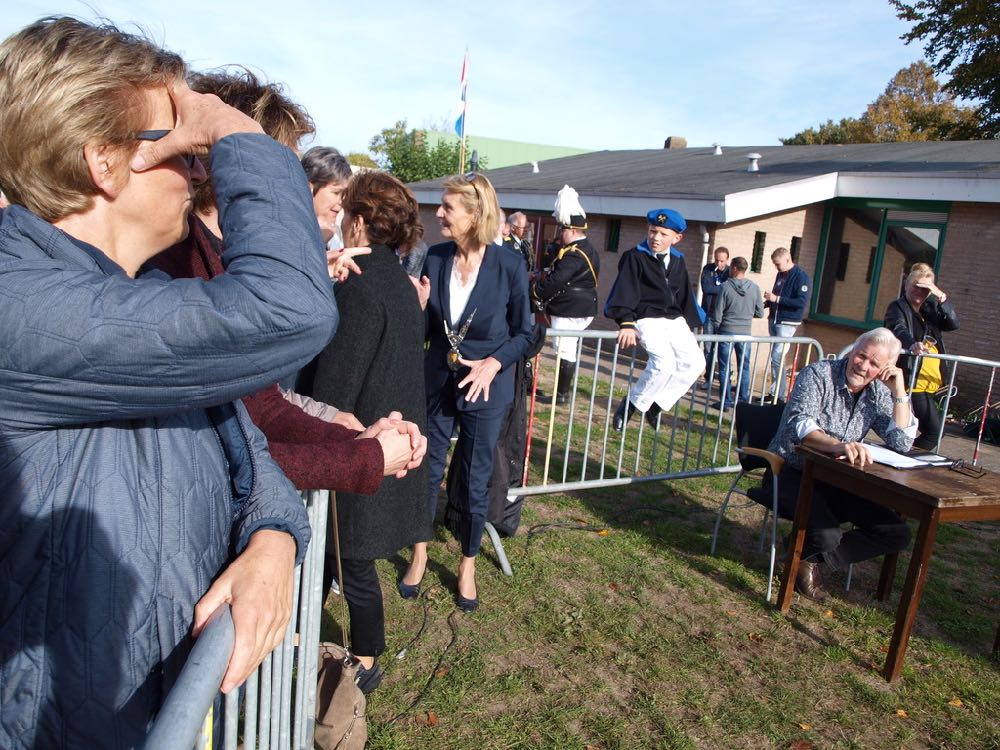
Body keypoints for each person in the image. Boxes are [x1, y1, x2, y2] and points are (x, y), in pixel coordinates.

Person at [0, 17, 336, 748]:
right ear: (106, 162)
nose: (201, 171)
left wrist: (274, 540)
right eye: (184, 149)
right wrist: (235, 127)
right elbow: (289, 308)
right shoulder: (19, 307)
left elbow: (245, 449)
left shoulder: (130, 297)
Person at [304, 172, 431, 693]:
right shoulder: (399, 281)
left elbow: (338, 378)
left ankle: (364, 658)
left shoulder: (360, 283)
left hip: (361, 438)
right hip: (386, 436)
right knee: (347, 557)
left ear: (357, 221)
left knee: (350, 557)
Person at [401, 172, 533, 612]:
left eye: (448, 208)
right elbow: (423, 329)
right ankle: (419, 553)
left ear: (475, 215)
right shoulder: (434, 257)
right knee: (426, 468)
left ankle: (467, 565)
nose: (438, 213)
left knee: (476, 477)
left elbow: (528, 334)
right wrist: (417, 310)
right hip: (436, 381)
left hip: (485, 388)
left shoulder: (509, 264)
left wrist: (495, 363)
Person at [765, 328, 916, 602]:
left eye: (874, 364)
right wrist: (836, 445)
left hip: (838, 481)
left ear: (885, 369)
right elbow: (801, 424)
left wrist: (900, 392)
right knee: (827, 535)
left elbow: (902, 442)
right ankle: (807, 551)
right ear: (853, 350)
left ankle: (803, 556)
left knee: (897, 532)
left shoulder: (878, 393)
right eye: (861, 356)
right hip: (789, 471)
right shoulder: (817, 374)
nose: (863, 366)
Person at [606, 208, 703, 430]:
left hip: (674, 318)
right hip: (647, 317)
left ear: (677, 238)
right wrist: (626, 322)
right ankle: (630, 405)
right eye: (652, 231)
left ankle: (657, 405)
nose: (655, 238)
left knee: (696, 363)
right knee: (664, 364)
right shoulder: (635, 256)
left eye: (662, 234)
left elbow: (685, 295)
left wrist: (695, 326)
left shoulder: (678, 260)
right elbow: (624, 290)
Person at [531, 185, 600, 405]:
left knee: (564, 347)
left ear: (570, 230)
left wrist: (534, 293)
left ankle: (562, 395)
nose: (560, 234)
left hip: (571, 307)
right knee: (565, 347)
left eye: (562, 230)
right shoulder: (584, 249)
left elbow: (558, 280)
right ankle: (562, 394)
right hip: (578, 306)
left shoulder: (575, 254)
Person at [884, 262, 960, 450]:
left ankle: (902, 455)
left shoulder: (930, 309)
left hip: (928, 381)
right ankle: (903, 458)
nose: (919, 291)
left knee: (917, 430)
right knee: (934, 431)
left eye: (925, 288)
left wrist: (941, 297)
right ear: (906, 285)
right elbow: (898, 328)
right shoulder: (898, 307)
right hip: (911, 380)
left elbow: (953, 324)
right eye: (916, 286)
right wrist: (912, 344)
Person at [710, 255, 764, 410]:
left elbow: (717, 313)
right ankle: (742, 401)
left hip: (726, 331)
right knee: (744, 367)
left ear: (734, 268)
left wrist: (716, 328)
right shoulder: (754, 288)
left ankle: (725, 402)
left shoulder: (725, 287)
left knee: (724, 367)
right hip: (745, 333)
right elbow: (760, 313)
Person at [763, 246, 811, 399]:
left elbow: (800, 302)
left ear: (787, 259)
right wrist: (767, 303)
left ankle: (779, 395)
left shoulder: (801, 277)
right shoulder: (780, 275)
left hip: (787, 322)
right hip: (775, 319)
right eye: (775, 264)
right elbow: (776, 296)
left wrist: (776, 299)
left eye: (778, 264)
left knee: (778, 357)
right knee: (774, 357)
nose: (777, 267)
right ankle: (774, 392)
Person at [699, 246, 731, 388]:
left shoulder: (731, 272)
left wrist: (720, 289)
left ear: (727, 260)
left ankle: (725, 380)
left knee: (724, 349)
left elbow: (730, 291)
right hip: (709, 314)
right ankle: (709, 378)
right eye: (717, 260)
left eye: (722, 261)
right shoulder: (708, 269)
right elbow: (706, 288)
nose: (719, 264)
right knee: (708, 348)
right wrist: (722, 289)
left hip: (724, 316)